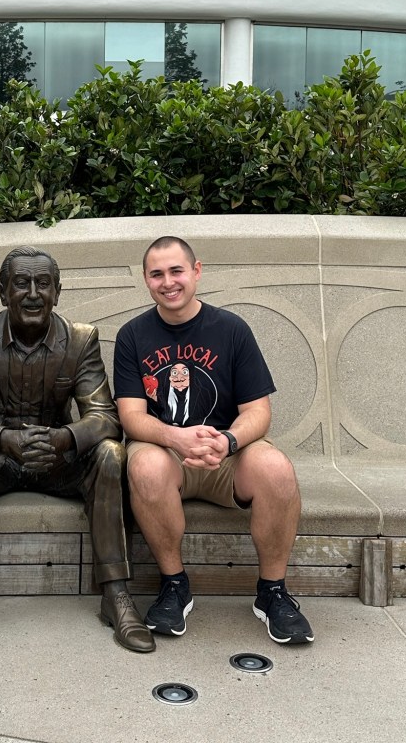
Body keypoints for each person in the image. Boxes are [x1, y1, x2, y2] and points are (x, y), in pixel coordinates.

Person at [0, 245, 154, 663]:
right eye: (21, 283)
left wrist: (64, 438)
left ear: (57, 292)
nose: (32, 293)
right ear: (2, 292)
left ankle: (116, 593)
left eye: (43, 284)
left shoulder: (80, 340)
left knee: (110, 454)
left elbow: (105, 417)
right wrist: (3, 439)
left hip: (56, 461)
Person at [113, 235, 314, 645]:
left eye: (176, 271)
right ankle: (174, 585)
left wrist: (228, 441)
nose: (168, 282)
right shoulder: (132, 335)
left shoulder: (232, 330)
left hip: (227, 456)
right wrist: (175, 437)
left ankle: (272, 592)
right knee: (144, 464)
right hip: (168, 454)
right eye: (157, 274)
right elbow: (131, 417)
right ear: (146, 280)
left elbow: (258, 412)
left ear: (197, 271)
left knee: (277, 469)